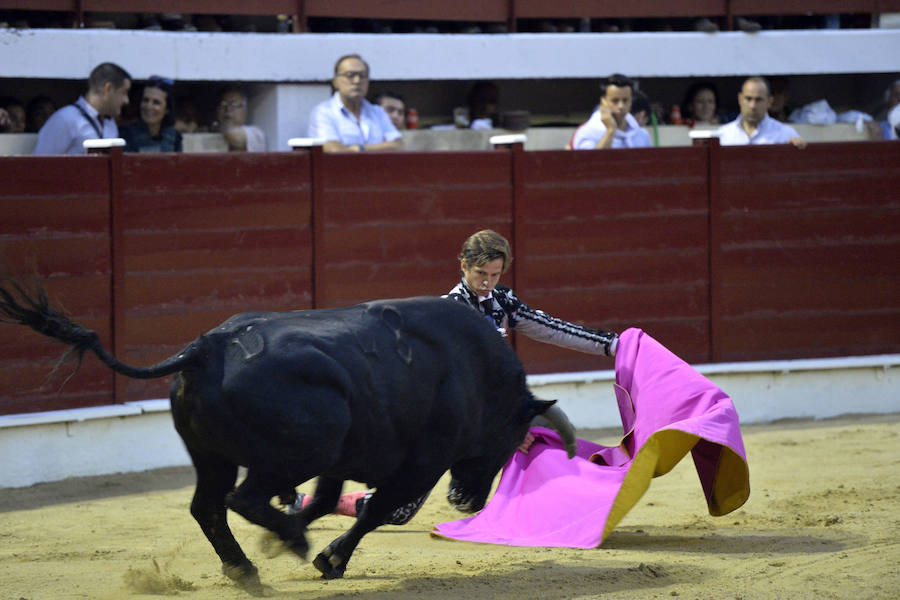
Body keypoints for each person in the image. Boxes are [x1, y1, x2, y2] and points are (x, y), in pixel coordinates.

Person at [288, 229, 618, 523]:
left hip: (480, 420)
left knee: (549, 429)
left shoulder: (502, 301)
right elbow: (460, 389)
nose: (488, 281)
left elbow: (551, 329)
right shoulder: (449, 313)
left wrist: (613, 345)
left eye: (495, 273)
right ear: (463, 266)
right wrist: (507, 429)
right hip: (438, 424)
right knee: (398, 510)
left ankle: (540, 514)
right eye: (481, 273)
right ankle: (315, 502)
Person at [307, 54, 402, 153]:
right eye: (350, 75)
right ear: (336, 82)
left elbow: (399, 145)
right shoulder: (323, 112)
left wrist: (359, 149)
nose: (357, 81)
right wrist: (381, 148)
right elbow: (334, 151)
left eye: (362, 76)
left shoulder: (377, 112)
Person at [32, 62, 131, 155]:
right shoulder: (65, 119)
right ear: (108, 89)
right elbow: (39, 164)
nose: (126, 100)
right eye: (123, 92)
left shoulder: (110, 123)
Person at [717, 77, 806, 148]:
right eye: (748, 99)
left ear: (769, 101)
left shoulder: (786, 135)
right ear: (740, 99)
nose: (753, 105)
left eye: (759, 100)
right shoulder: (723, 135)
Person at [569, 73, 652, 150]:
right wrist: (610, 131)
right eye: (615, 101)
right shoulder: (589, 132)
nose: (621, 106)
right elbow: (589, 163)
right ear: (604, 101)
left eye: (625, 100)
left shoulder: (642, 135)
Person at [119, 76, 182, 153]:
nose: (149, 106)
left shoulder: (174, 137)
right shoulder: (126, 134)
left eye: (156, 102)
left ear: (167, 109)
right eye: (145, 100)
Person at [213, 87, 266, 152]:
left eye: (234, 104)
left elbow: (235, 137)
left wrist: (215, 127)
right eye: (223, 104)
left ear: (245, 111)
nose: (228, 109)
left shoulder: (255, 133)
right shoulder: (215, 130)